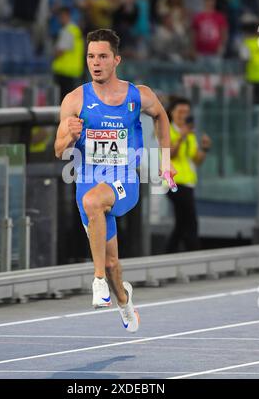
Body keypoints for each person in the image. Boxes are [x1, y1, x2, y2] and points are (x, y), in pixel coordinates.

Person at [54, 29, 176, 333]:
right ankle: (123, 299)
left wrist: (165, 162)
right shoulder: (74, 100)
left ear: (116, 60)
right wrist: (70, 135)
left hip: (124, 182)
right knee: (112, 264)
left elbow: (161, 116)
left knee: (94, 202)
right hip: (87, 182)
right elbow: (58, 151)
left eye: (103, 57)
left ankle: (96, 282)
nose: (96, 63)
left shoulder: (138, 94)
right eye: (91, 57)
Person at [165, 96, 212, 253]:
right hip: (173, 182)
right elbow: (170, 154)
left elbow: (196, 160)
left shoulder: (190, 133)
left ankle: (169, 253)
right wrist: (181, 137)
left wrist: (205, 149)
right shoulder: (166, 130)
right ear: (172, 113)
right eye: (180, 111)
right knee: (191, 221)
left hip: (188, 182)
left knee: (181, 223)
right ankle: (195, 253)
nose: (183, 115)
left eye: (186, 112)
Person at [52, 7, 85, 102]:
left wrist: (53, 53)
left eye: (61, 17)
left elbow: (60, 51)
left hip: (65, 72)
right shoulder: (76, 30)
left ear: (66, 16)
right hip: (74, 71)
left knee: (64, 102)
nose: (59, 19)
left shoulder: (67, 31)